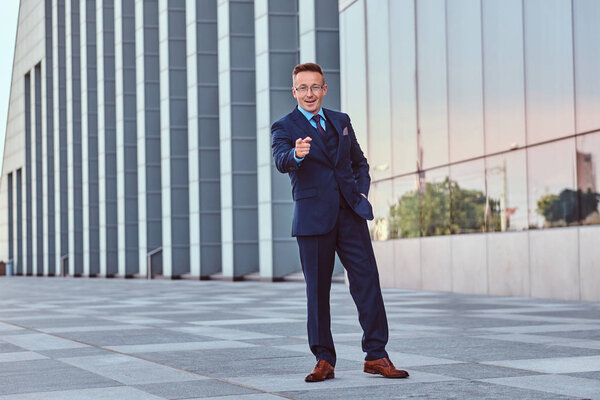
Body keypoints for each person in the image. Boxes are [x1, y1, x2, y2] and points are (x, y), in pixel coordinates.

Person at [271, 62, 409, 382]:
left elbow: (360, 163)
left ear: (324, 89)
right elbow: (281, 159)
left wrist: (360, 195)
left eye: (315, 87)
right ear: (294, 92)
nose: (309, 93)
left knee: (367, 283)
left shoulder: (341, 120)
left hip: (350, 216)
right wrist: (298, 155)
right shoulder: (284, 126)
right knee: (318, 293)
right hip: (312, 220)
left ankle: (376, 355)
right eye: (303, 88)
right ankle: (323, 359)